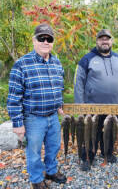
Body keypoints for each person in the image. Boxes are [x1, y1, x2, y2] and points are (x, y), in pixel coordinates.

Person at [7, 24, 66, 189]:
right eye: (41, 38)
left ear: (53, 42)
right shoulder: (22, 64)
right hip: (33, 119)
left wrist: (59, 104)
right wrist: (18, 124)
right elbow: (13, 98)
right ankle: (36, 179)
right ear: (34, 40)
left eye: (49, 38)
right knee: (33, 153)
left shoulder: (56, 62)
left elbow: (59, 87)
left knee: (53, 148)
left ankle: (51, 171)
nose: (45, 41)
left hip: (53, 117)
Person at [74, 29, 118, 171]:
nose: (104, 41)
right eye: (101, 39)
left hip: (114, 106)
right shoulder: (87, 59)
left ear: (111, 41)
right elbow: (79, 83)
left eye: (107, 39)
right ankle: (87, 157)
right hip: (92, 106)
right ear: (97, 41)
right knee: (90, 133)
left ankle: (108, 153)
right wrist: (80, 106)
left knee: (110, 132)